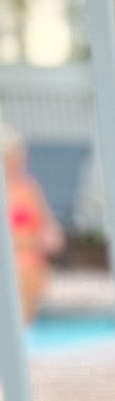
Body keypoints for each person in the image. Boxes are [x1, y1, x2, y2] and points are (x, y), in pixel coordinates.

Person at [3, 128, 63, 324]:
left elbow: (47, 224)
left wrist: (51, 237)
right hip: (13, 256)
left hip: (31, 258)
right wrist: (30, 241)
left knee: (28, 267)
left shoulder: (30, 187)